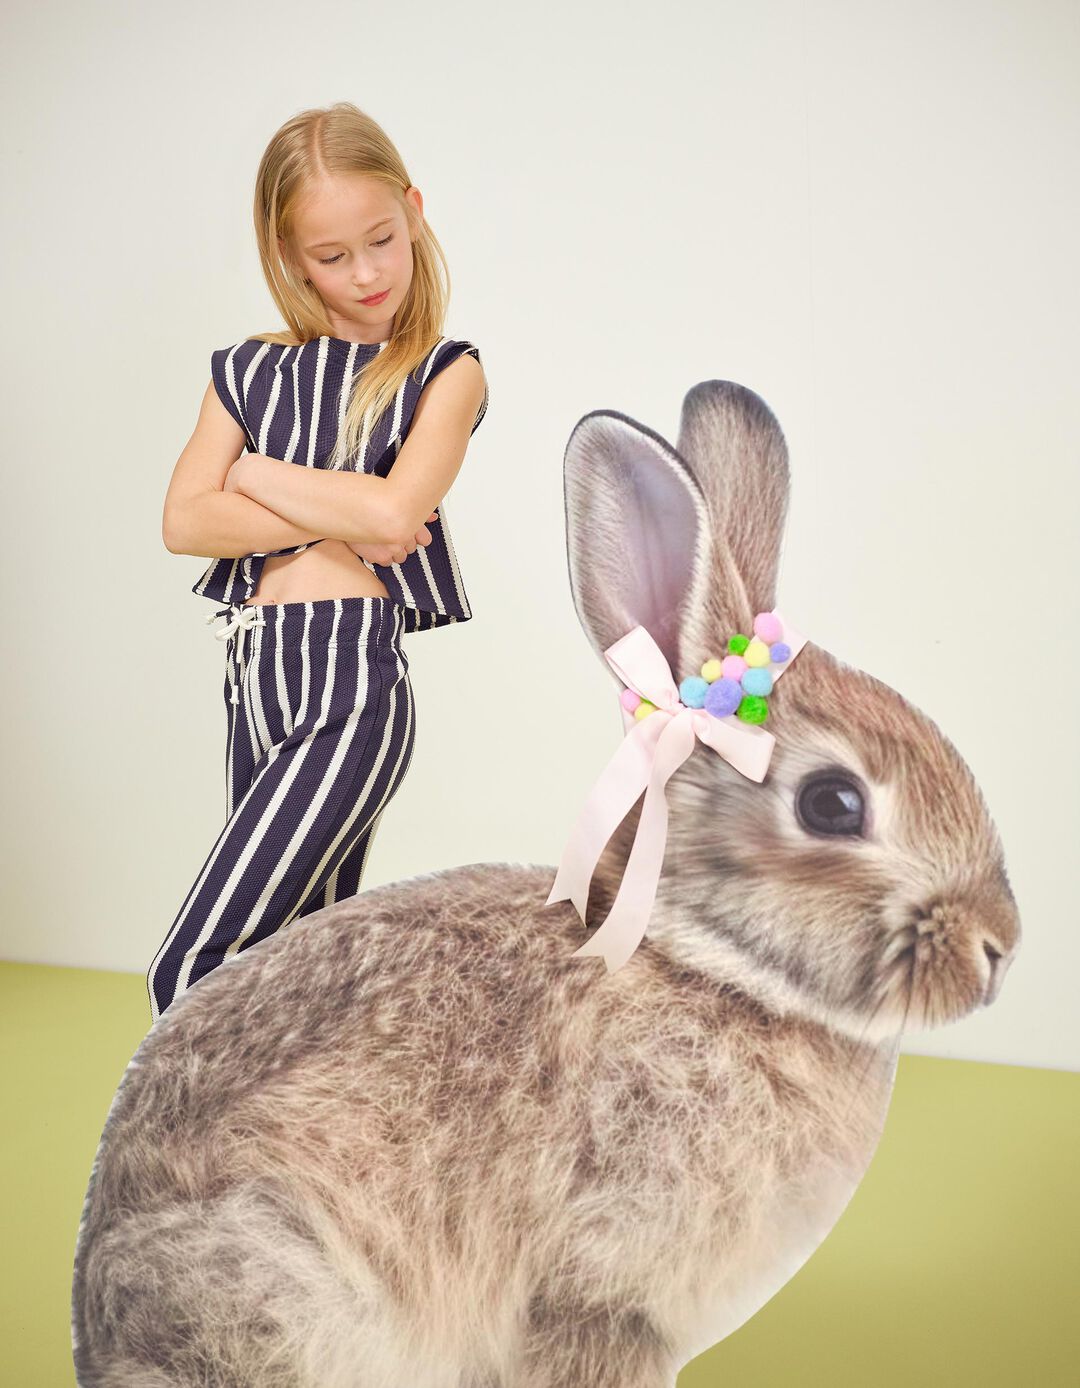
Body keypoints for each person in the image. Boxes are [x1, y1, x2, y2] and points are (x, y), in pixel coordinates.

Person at [147, 102, 488, 1023]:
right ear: (290, 254)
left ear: (414, 210)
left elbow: (392, 510)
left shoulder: (444, 372)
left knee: (194, 972)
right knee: (298, 987)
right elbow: (184, 520)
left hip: (349, 679)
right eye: (332, 256)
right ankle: (309, 1170)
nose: (366, 272)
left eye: (381, 238)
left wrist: (250, 476)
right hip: (254, 675)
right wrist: (340, 510)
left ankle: (178, 1169)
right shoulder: (247, 369)